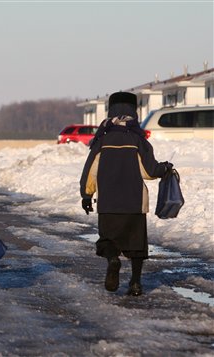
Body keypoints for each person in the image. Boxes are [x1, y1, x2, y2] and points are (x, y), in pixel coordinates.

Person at [80, 91, 172, 296]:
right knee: (136, 246)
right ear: (135, 111)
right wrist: (164, 168)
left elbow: (90, 172)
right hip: (134, 203)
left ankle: (113, 259)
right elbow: (149, 171)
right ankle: (136, 283)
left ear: (110, 110)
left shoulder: (101, 141)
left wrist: (86, 196)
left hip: (108, 204)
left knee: (108, 240)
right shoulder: (138, 140)